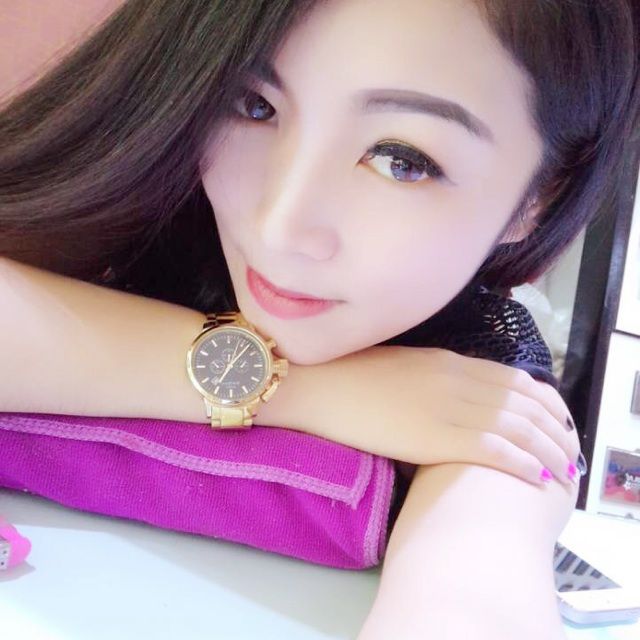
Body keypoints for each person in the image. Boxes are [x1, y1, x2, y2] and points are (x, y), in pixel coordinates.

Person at [0, 1, 637, 638]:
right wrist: (308, 389)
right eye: (255, 106)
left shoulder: (486, 369)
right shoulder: (133, 211)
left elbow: (473, 584)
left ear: (538, 199)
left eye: (401, 160)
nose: (279, 226)